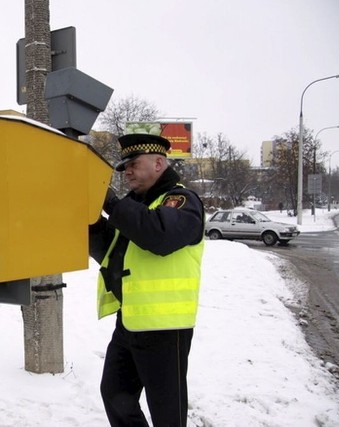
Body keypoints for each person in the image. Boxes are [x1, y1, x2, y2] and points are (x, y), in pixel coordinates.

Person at [89, 133, 205, 427]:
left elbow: (159, 236)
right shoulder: (134, 206)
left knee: (167, 412)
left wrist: (113, 205)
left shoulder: (181, 201)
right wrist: (89, 220)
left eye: (133, 164)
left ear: (158, 163)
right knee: (115, 394)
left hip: (165, 329)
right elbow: (111, 251)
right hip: (130, 322)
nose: (126, 171)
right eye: (123, 167)